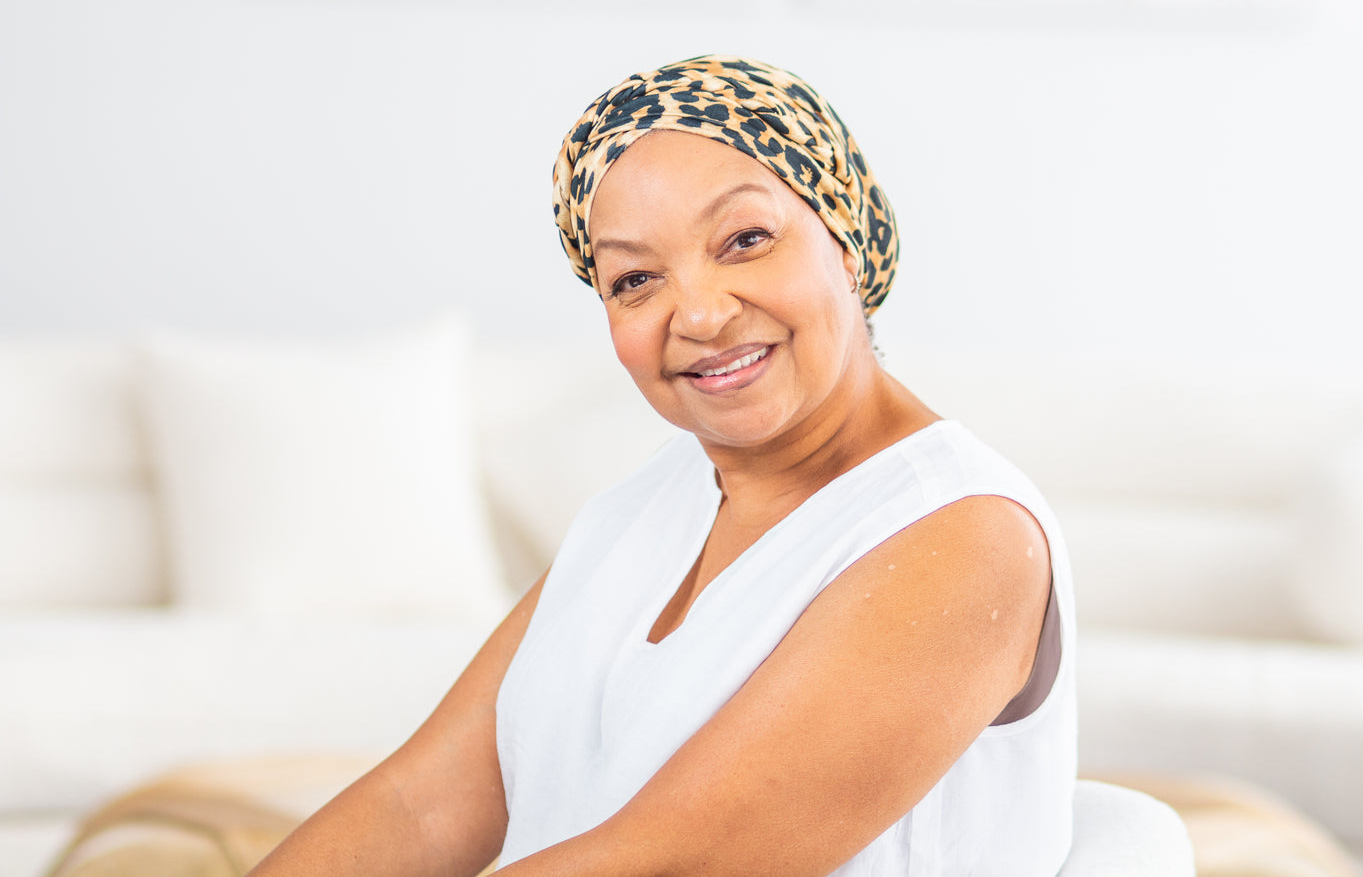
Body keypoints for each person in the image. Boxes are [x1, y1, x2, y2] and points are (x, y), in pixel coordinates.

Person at [249, 55, 1076, 876]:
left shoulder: (962, 535)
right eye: (636, 278)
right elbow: (422, 803)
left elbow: (658, 864)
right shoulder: (643, 506)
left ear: (845, 235)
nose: (703, 312)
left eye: (746, 240)